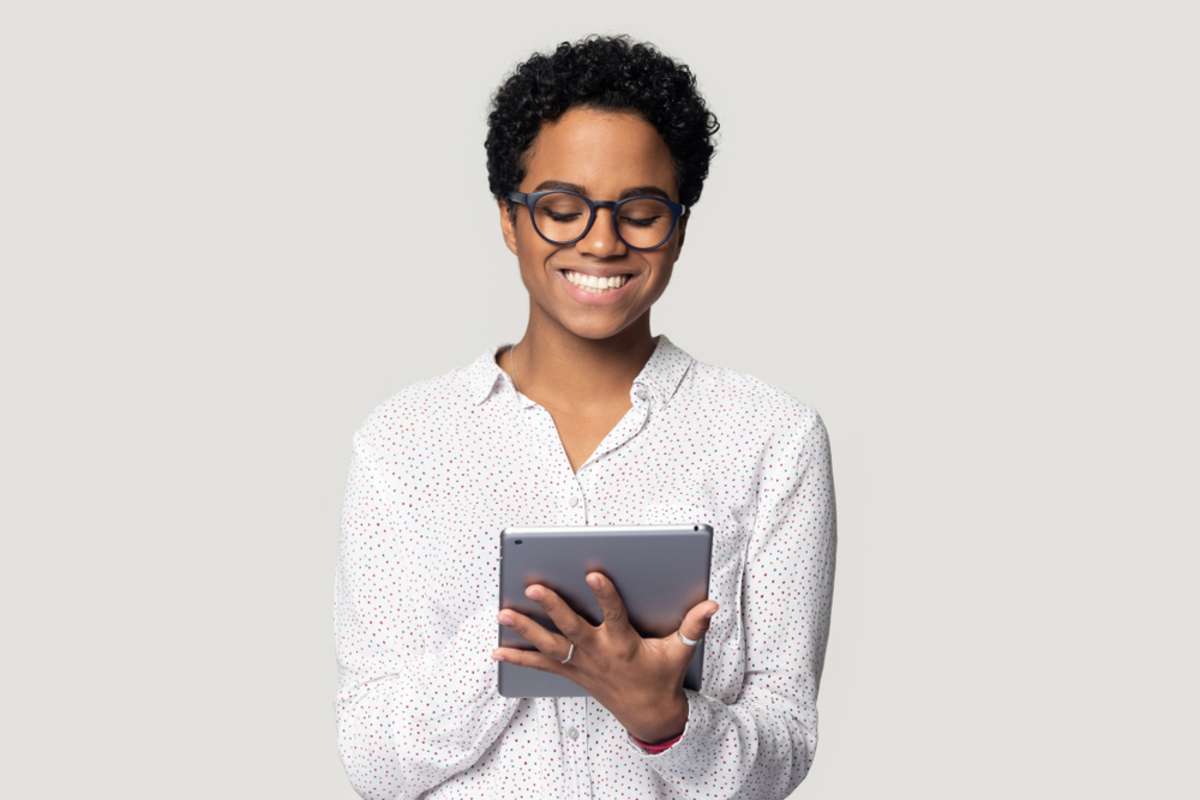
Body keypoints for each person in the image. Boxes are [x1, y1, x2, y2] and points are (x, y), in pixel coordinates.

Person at [334, 33, 837, 800]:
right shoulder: (404, 443)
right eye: (561, 210)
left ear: (679, 229)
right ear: (509, 219)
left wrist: (663, 718)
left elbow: (785, 748)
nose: (601, 243)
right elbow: (374, 761)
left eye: (639, 212)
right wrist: (523, 639)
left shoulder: (771, 437)